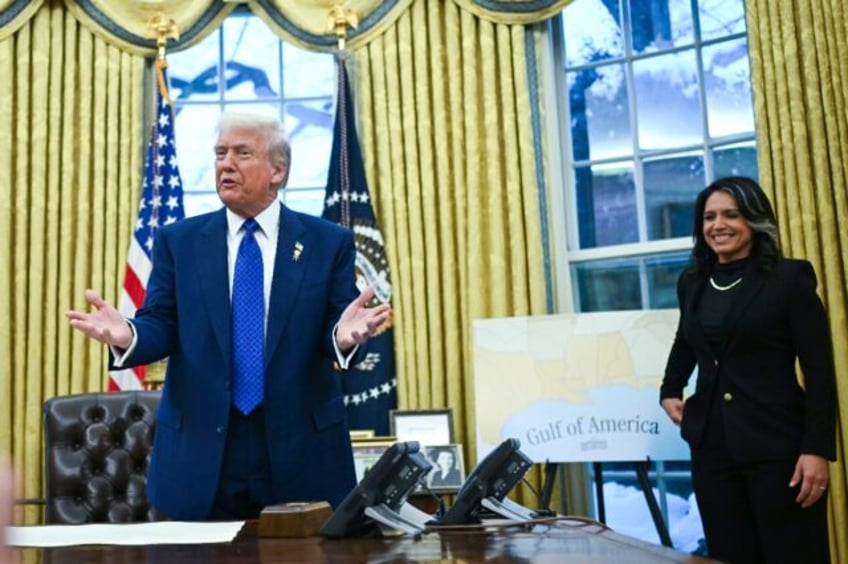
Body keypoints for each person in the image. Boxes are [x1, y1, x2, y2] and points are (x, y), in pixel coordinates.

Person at [67, 112, 390, 521]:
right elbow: (161, 324)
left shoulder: (327, 243)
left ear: (278, 170)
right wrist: (128, 334)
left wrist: (343, 340)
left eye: (242, 153)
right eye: (220, 153)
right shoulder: (179, 241)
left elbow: (337, 327)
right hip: (203, 453)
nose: (225, 164)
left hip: (300, 452)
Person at [659, 177, 836, 563]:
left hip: (780, 448)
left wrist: (816, 449)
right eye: (709, 217)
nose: (717, 225)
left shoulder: (789, 279)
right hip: (712, 449)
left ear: (754, 220)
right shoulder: (692, 281)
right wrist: (669, 388)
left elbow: (820, 371)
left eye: (730, 215)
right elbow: (686, 339)